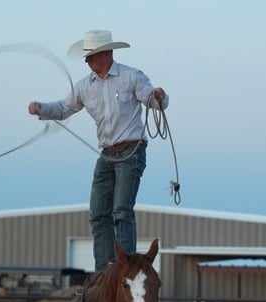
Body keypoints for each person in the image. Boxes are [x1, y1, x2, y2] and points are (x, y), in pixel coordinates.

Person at [28, 29, 168, 272]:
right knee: (98, 213)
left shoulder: (132, 76)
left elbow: (152, 99)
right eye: (87, 56)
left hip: (131, 152)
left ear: (107, 53)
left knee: (121, 210)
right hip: (107, 154)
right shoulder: (85, 86)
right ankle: (104, 269)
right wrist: (41, 108)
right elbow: (63, 107)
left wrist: (159, 96)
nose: (88, 61)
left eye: (92, 55)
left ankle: (125, 265)